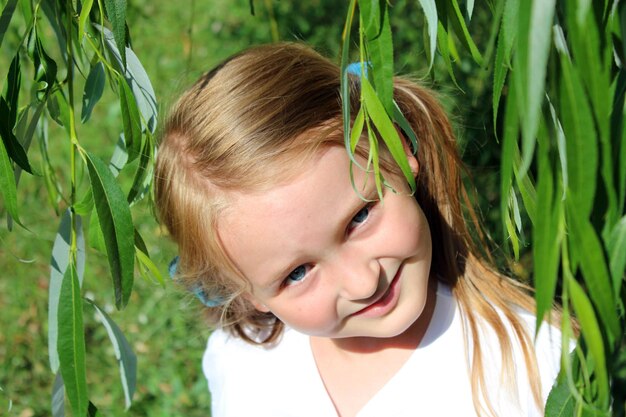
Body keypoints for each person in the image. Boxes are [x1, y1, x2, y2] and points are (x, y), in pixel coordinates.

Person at [154, 42, 567, 417]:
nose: (363, 282)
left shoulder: (541, 363)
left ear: (400, 155)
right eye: (297, 274)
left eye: (359, 218)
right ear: (244, 292)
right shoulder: (238, 364)